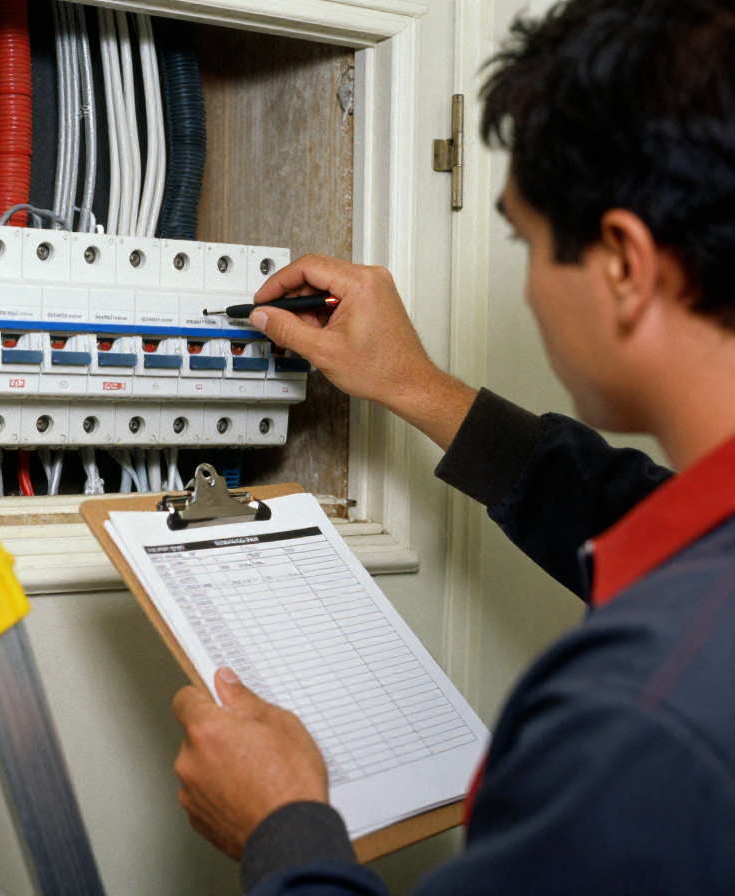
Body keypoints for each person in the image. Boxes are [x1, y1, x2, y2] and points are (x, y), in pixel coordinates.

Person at [170, 0, 735, 893]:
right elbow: (645, 514)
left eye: (528, 240)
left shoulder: (641, 719)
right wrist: (417, 387)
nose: (530, 285)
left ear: (623, 263)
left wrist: (282, 829)